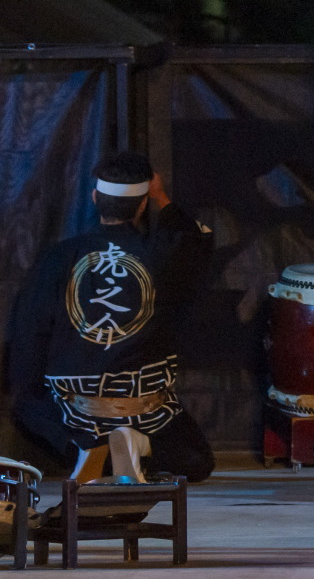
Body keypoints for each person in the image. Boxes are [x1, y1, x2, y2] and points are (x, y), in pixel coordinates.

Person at [4, 152, 215, 483]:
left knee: (26, 408)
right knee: (197, 460)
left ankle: (87, 449)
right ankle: (138, 445)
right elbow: (196, 240)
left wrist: (30, 386)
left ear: (95, 198)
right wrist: (161, 196)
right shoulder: (163, 254)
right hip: (144, 410)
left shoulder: (58, 258)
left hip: (76, 411)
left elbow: (31, 334)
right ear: (142, 204)